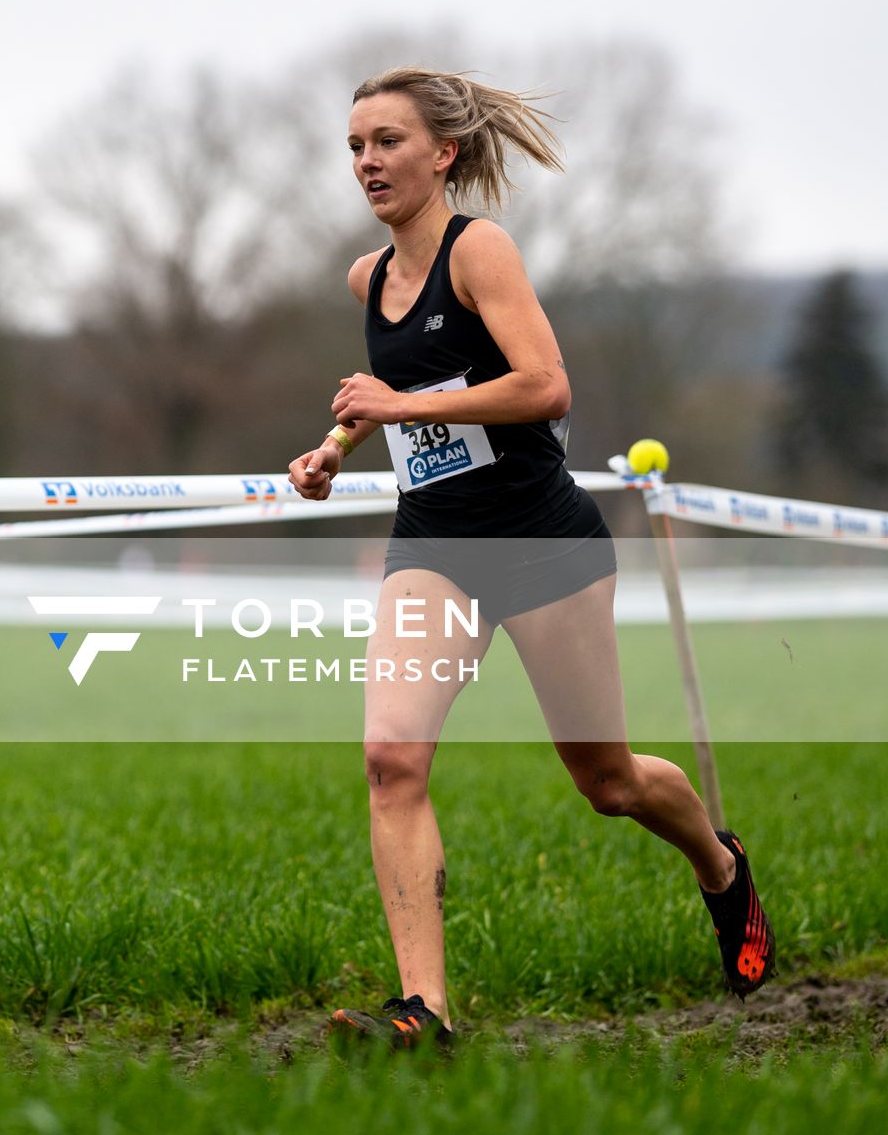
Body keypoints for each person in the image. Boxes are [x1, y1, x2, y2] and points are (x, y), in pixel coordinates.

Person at [287, 67, 775, 1051]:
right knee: (390, 759)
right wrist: (333, 448)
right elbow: (406, 394)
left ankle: (722, 868)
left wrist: (396, 408)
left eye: (386, 142)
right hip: (435, 543)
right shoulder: (366, 279)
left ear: (443, 154)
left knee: (608, 783)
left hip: (539, 543)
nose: (367, 162)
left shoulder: (480, 252)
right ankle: (423, 1009)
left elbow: (544, 386)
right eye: (354, 147)